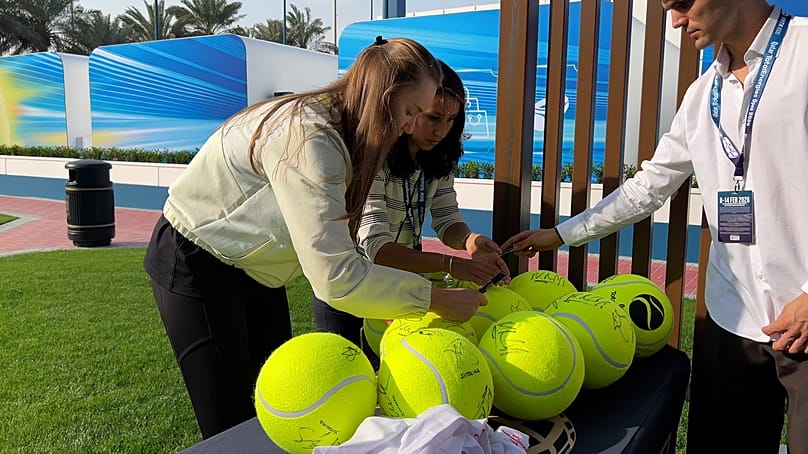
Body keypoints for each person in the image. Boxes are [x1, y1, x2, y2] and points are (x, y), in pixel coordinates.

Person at [142, 36, 488, 439]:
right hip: (196, 263)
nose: (412, 126)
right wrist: (435, 299)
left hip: (259, 273)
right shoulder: (310, 137)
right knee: (230, 427)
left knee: (282, 405)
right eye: (412, 111)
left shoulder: (353, 132)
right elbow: (335, 277)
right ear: (383, 96)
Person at [501, 1, 808, 452]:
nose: (676, 20)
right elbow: (646, 188)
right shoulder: (702, 95)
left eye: (681, 3)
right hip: (732, 314)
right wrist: (562, 234)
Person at [312, 61, 509, 350]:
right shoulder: (372, 157)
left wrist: (470, 241)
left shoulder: (438, 158)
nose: (441, 131)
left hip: (398, 284)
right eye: (433, 117)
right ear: (410, 109)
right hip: (350, 281)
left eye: (451, 120)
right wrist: (451, 265)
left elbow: (447, 219)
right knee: (347, 366)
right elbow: (377, 249)